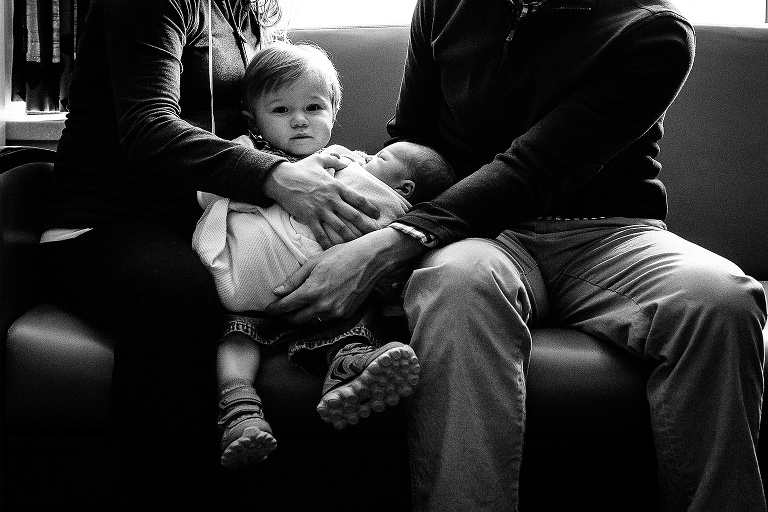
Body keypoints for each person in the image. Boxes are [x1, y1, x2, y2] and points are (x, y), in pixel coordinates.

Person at [264, 1, 768, 511]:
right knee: (457, 284)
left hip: (608, 233)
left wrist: (386, 245)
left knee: (722, 299)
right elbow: (415, 135)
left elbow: (534, 169)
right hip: (478, 232)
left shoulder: (654, 30)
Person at [34, 1, 385, 509]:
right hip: (107, 224)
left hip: (206, 223)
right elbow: (148, 127)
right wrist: (274, 175)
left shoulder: (258, 13)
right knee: (178, 300)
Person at [190, 40, 455, 469]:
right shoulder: (242, 153)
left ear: (333, 112)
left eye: (313, 108)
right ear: (252, 118)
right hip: (246, 286)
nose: (298, 121)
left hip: (324, 295)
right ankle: (239, 410)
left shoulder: (350, 162)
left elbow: (389, 205)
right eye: (280, 111)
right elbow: (206, 192)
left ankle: (347, 373)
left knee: (355, 312)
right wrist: (261, 181)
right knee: (235, 334)